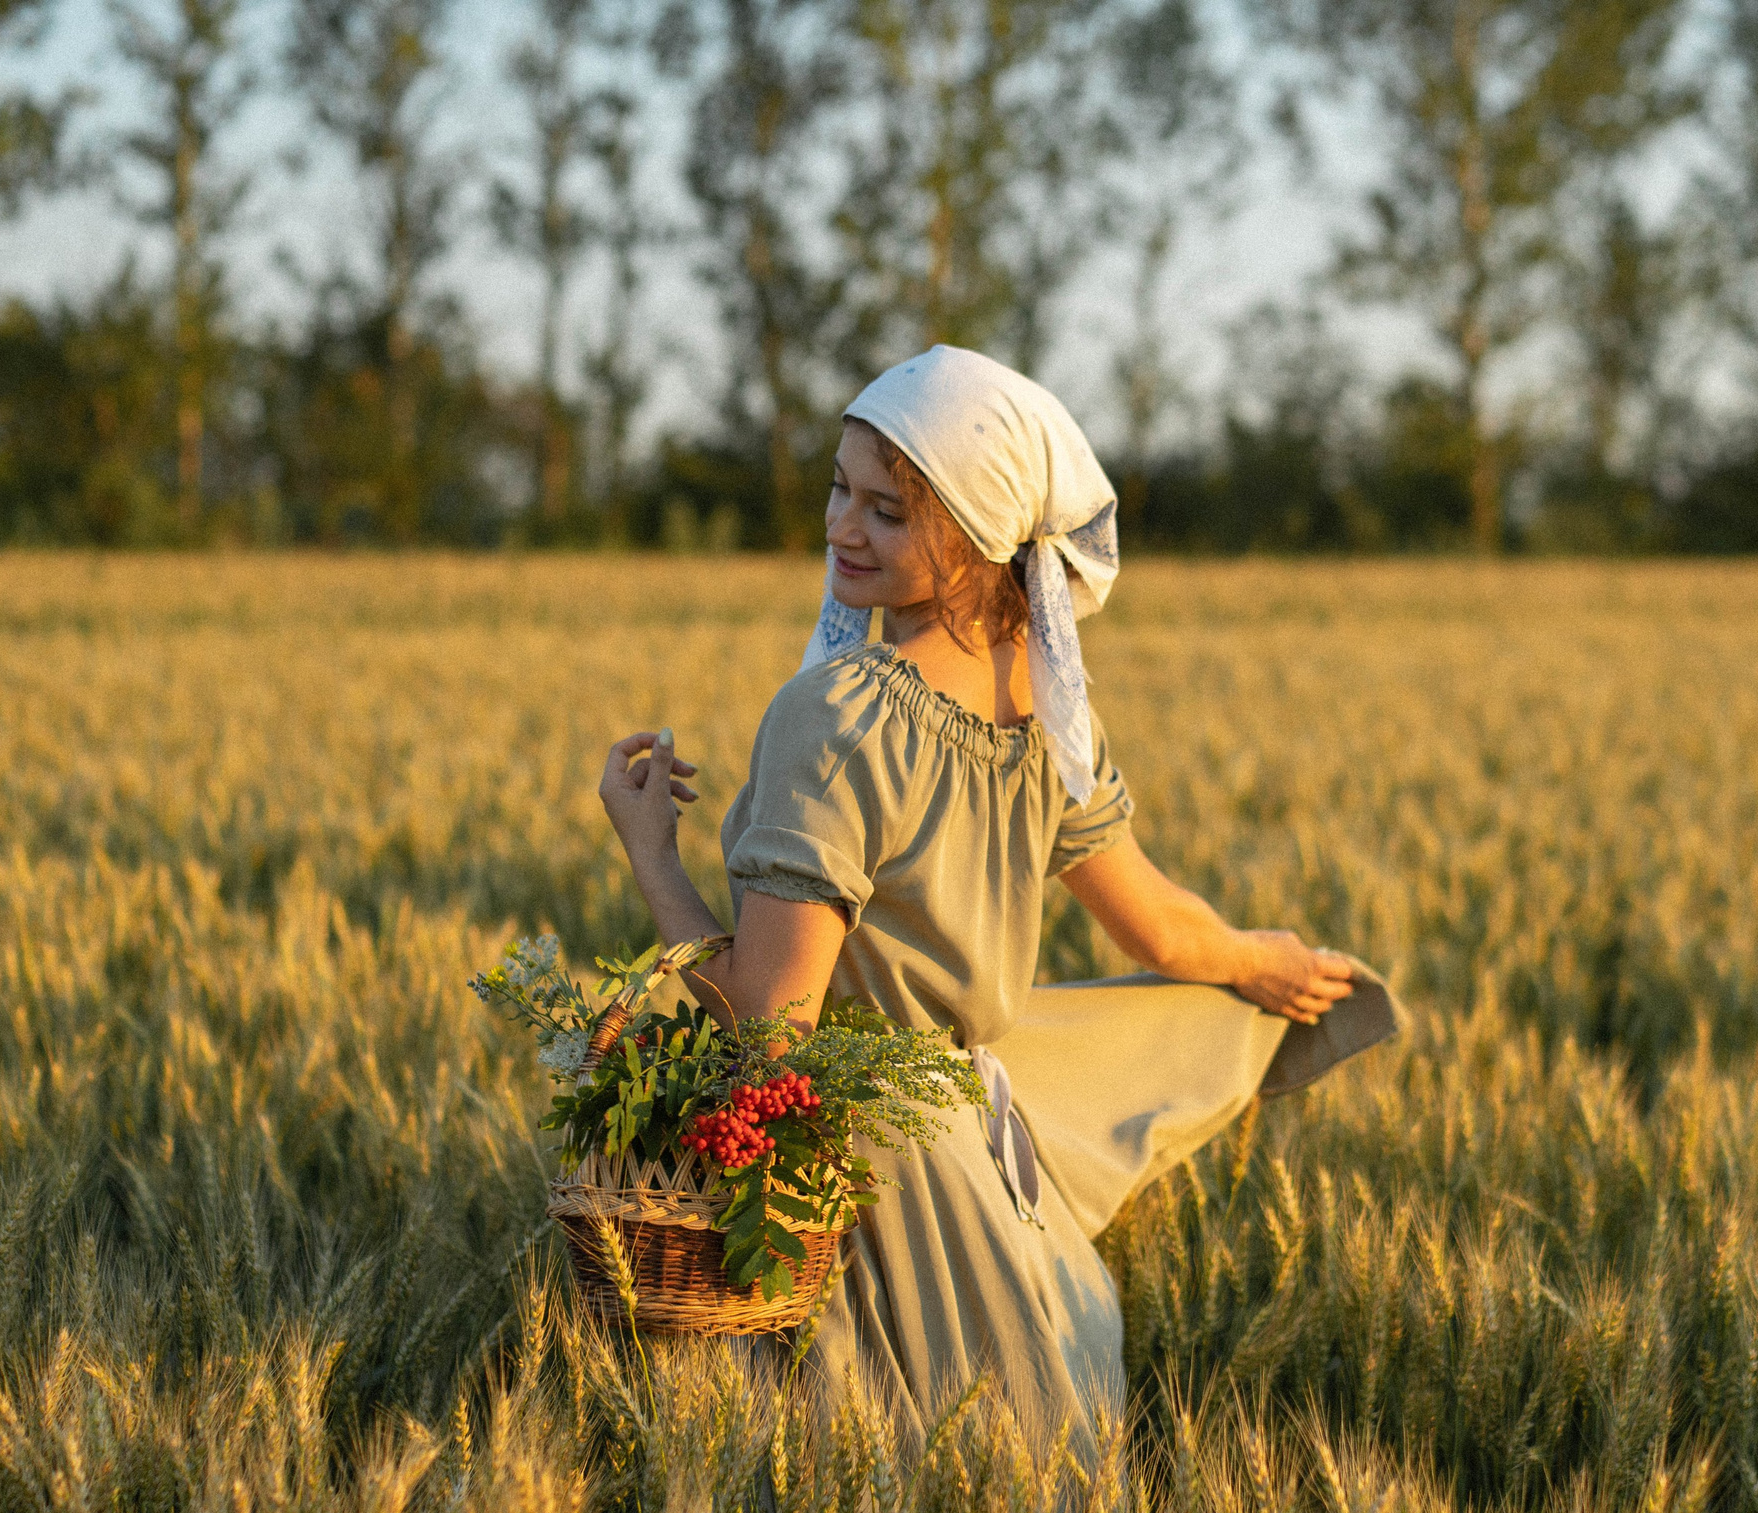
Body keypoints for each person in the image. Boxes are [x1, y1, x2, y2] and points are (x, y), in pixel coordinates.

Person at [595, 344, 1401, 1430]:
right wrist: (1263, 958)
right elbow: (1164, 930)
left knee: (855, 1511)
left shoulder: (837, 717)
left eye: (888, 510)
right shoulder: (1049, 709)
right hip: (987, 1171)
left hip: (861, 1195)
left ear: (981, 535)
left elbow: (771, 1032)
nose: (841, 527)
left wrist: (651, 857)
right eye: (840, 487)